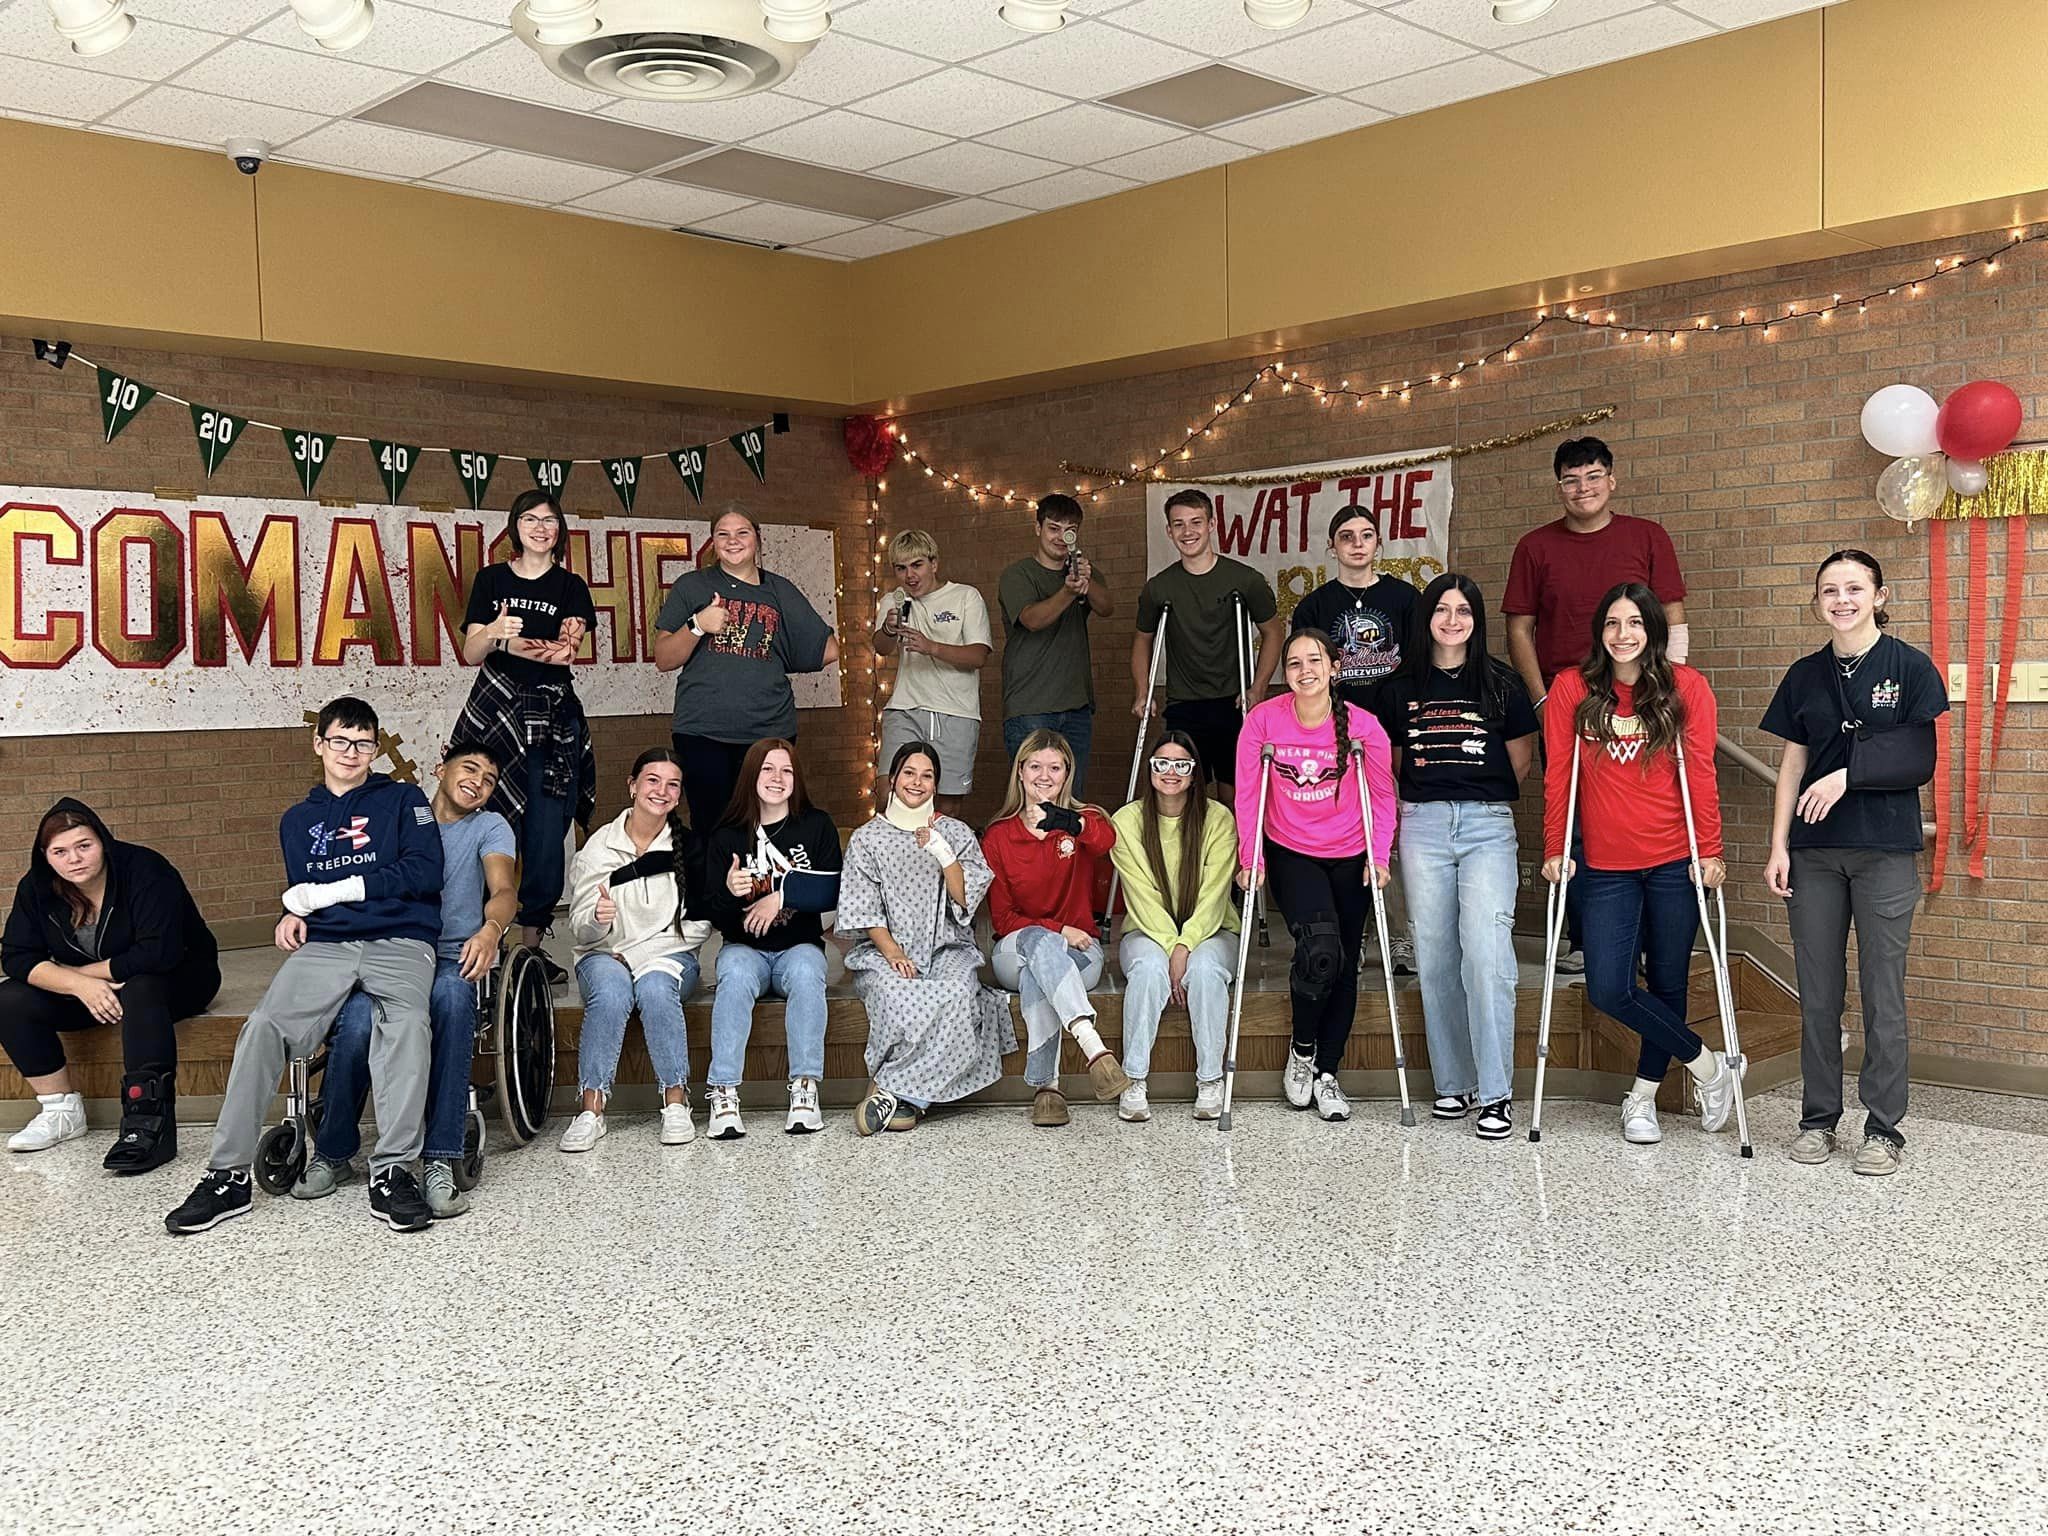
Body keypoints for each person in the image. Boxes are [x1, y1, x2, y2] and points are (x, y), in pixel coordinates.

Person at [166, 696, 443, 1236]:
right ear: (319, 744)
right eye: (340, 740)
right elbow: (304, 891)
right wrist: (292, 911)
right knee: (263, 1028)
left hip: (401, 938)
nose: (351, 752)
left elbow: (424, 871)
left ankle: (390, 1171)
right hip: (328, 944)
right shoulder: (298, 820)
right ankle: (227, 1177)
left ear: (375, 748)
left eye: (364, 743)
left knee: (407, 1027)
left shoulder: (405, 799)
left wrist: (333, 892)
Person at [1762, 550, 1946, 1177]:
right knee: (1817, 992)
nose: (1841, 599)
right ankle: (1817, 1118)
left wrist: (1848, 773)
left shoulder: (1909, 667)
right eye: (1829, 590)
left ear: (1878, 594)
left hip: (1885, 852)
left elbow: (1919, 757)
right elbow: (1792, 763)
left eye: (1854, 588)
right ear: (1817, 602)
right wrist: (1779, 843)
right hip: (1814, 855)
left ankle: (1884, 1128)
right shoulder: (1805, 674)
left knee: (1881, 991)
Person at [1541, 583, 1740, 1148]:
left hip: (1676, 860)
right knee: (1608, 987)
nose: (1622, 634)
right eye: (1611, 624)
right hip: (1606, 865)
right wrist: (1556, 846)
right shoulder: (1573, 689)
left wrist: (1712, 849)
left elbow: (1700, 772)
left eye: (1633, 623)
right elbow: (1560, 775)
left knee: (1669, 981)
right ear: (1599, 632)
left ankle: (1643, 1098)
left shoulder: (1686, 689)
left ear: (1652, 629)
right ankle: (1709, 1067)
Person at [294, 741, 517, 1216]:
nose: (478, 782)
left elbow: (503, 889)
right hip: (387, 948)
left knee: (454, 1002)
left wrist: (491, 929)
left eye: (489, 780)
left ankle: (440, 1156)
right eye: (469, 768)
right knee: (354, 1021)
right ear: (440, 768)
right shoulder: (395, 810)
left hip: (453, 953)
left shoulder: (489, 827)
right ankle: (333, 1154)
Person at [1504, 438, 1687, 974]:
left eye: (1592, 476)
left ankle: (1653, 944)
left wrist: (1668, 688)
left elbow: (1671, 615)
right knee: (1578, 821)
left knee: (1649, 813)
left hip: (1644, 697)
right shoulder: (1535, 547)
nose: (1583, 488)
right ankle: (1588, 941)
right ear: (1558, 486)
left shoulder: (1647, 536)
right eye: (1571, 480)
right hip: (1570, 698)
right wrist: (1541, 699)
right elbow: (1520, 628)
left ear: (1612, 480)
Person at [1376, 575, 1538, 1140]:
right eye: (1441, 610)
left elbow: (1520, 759)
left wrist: (1474, 799)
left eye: (1463, 610)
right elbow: (1393, 763)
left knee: (1488, 952)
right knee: (1436, 954)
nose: (1451, 620)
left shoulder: (1502, 684)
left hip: (1487, 826)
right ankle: (1454, 1082)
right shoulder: (1398, 688)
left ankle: (1495, 1093)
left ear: (1477, 619)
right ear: (1425, 619)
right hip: (1422, 826)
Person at [2, 799, 219, 1173]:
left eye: (84, 845)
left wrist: (85, 977)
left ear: (102, 840)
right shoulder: (37, 888)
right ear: (46, 856)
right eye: (60, 851)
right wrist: (76, 984)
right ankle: (61, 1112)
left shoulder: (145, 869)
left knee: (141, 986)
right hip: (94, 987)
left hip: (176, 979)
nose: (74, 859)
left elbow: (159, 953)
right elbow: (17, 956)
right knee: (8, 998)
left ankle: (146, 1123)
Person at [1235, 630, 1395, 1123]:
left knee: (1345, 964)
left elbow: (1383, 797)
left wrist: (1380, 855)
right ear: (1285, 673)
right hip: (1291, 852)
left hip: (1350, 854)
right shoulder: (1263, 721)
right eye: (1294, 663)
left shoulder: (1365, 728)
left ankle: (1328, 1072)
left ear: (1333, 666)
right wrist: (1251, 857)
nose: (1304, 670)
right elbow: (1247, 794)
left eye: (1314, 660)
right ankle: (1302, 1050)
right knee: (1320, 949)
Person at [455, 489, 598, 980]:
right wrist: (491, 632)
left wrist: (503, 639)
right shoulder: (491, 579)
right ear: (514, 527)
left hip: (550, 720)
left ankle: (531, 946)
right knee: (479, 821)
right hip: (493, 712)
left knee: (542, 831)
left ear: (560, 530)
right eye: (530, 519)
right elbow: (472, 653)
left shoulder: (570, 587)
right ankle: (475, 941)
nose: (541, 527)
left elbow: (564, 653)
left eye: (550, 520)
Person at [839, 742, 1014, 1136]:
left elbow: (965, 896)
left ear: (936, 783)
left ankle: (890, 1091)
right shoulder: (867, 839)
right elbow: (864, 910)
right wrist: (893, 952)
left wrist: (943, 853)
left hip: (947, 946)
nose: (917, 782)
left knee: (956, 996)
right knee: (898, 994)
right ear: (893, 779)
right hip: (884, 949)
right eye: (909, 773)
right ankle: (907, 1098)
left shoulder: (955, 832)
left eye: (927, 775)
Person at [557, 748, 714, 1154]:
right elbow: (580, 928)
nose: (661, 791)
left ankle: (675, 1102)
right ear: (632, 785)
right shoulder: (598, 848)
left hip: (669, 955)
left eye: (672, 785)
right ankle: (591, 1109)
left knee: (655, 989)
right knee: (611, 993)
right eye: (652, 780)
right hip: (603, 954)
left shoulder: (690, 847)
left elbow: (699, 925)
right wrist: (599, 917)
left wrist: (639, 955)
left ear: (678, 796)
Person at [653, 507, 840, 836]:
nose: (733, 540)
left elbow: (829, 649)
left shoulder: (779, 590)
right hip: (702, 731)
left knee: (767, 825)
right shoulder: (692, 586)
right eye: (723, 534)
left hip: (768, 730)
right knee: (712, 827)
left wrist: (772, 656)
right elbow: (664, 658)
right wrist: (697, 625)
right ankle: (716, 890)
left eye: (742, 532)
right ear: (713, 542)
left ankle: (765, 889)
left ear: (757, 538)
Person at [1292, 503, 1419, 974]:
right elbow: (1304, 672)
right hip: (1335, 731)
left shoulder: (1406, 600)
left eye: (1366, 535)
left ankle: (1399, 934)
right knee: (1346, 830)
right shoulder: (1316, 606)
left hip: (1394, 730)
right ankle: (1360, 930)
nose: (1358, 543)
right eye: (1347, 536)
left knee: (1390, 833)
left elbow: (1419, 666)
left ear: (1378, 543)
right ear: (1333, 546)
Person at [983, 729, 1130, 1126]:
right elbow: (1003, 918)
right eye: (1035, 766)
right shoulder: (998, 836)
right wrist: (1058, 929)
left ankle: (1047, 1088)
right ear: (1020, 773)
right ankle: (1094, 1049)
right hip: (1014, 951)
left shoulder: (1084, 822)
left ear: (1067, 774)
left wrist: (1065, 820)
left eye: (1055, 767)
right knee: (1038, 944)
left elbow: (1106, 839)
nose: (1044, 775)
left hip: (1080, 956)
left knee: (1039, 972)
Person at [703, 739, 843, 1140]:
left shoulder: (815, 825)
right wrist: (730, 892)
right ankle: (725, 1093)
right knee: (734, 977)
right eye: (767, 769)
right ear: (751, 775)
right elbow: (712, 911)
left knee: (805, 974)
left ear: (796, 779)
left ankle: (804, 1090)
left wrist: (781, 897)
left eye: (786, 771)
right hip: (743, 948)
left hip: (799, 945)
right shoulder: (728, 835)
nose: (777, 778)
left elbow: (832, 889)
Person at [1107, 730, 1238, 1123]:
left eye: (1182, 764)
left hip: (1212, 929)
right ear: (1149, 770)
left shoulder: (1218, 818)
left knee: (1206, 969)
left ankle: (1211, 1080)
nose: (1170, 772)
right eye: (1161, 763)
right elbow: (1142, 896)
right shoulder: (1126, 821)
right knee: (1148, 970)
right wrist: (1171, 946)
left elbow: (1215, 895)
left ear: (1195, 772)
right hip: (1145, 931)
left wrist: (1186, 947)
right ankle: (1133, 1080)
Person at [1134, 488, 1282, 799]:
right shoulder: (1158, 588)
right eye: (1178, 524)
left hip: (1234, 700)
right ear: (1168, 530)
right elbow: (1143, 639)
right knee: (1185, 791)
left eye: (1196, 522)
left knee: (1234, 790)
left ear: (1212, 525)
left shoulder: (1244, 580)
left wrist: (1258, 687)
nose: (1188, 532)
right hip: (1184, 704)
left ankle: (1235, 848)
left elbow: (1273, 631)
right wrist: (1141, 691)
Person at [999, 494, 1115, 792]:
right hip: (1031, 705)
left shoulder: (1082, 569)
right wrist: (1068, 591)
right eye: (1053, 528)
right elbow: (1032, 620)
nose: (1061, 537)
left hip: (1077, 706)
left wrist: (1086, 584)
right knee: (1034, 796)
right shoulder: (1018, 574)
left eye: (1069, 529)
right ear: (1038, 528)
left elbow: (1106, 607)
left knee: (1071, 797)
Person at [873, 529, 993, 817]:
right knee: (888, 796)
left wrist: (931, 647)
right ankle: (889, 860)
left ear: (934, 564)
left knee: (946, 808)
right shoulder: (894, 601)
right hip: (905, 707)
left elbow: (978, 655)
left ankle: (936, 862)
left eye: (917, 565)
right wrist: (889, 628)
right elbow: (881, 647)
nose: (909, 575)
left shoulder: (965, 596)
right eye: (901, 568)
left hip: (957, 712)